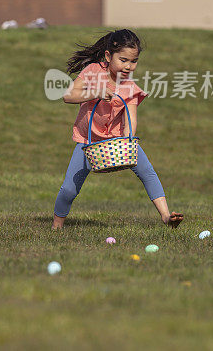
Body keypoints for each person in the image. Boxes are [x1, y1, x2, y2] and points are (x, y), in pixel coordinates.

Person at [52, 29, 183, 230]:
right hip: (89, 142)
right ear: (108, 56)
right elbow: (68, 96)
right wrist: (95, 93)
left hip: (118, 142)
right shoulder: (93, 71)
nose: (128, 66)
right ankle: (57, 226)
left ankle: (166, 216)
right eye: (123, 60)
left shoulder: (130, 87)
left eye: (134, 61)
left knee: (148, 172)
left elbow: (130, 119)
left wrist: (127, 141)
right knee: (69, 189)